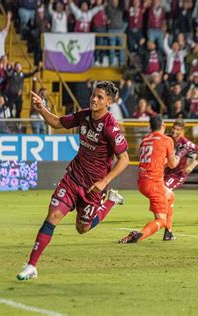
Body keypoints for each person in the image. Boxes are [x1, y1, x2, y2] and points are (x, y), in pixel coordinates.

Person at [17, 81, 129, 280]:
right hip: (73, 178)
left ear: (109, 102)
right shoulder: (84, 115)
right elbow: (58, 122)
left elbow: (125, 159)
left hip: (93, 188)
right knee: (52, 217)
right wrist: (42, 108)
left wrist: (104, 182)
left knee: (82, 228)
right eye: (94, 95)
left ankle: (110, 200)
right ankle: (31, 265)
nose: (94, 99)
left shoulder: (111, 127)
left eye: (100, 97)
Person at [118, 115, 179, 244]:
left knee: (170, 195)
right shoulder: (167, 140)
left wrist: (166, 160)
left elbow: (155, 161)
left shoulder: (145, 140)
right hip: (154, 183)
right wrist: (178, 156)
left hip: (142, 182)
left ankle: (168, 232)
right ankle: (138, 235)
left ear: (150, 127)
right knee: (161, 220)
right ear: (163, 125)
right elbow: (173, 164)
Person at [163, 119, 198, 240]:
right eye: (173, 128)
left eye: (177, 129)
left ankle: (167, 229)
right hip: (165, 172)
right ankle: (167, 228)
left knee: (165, 193)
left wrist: (192, 166)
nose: (174, 131)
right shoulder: (167, 139)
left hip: (177, 174)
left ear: (183, 131)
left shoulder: (186, 143)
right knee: (162, 196)